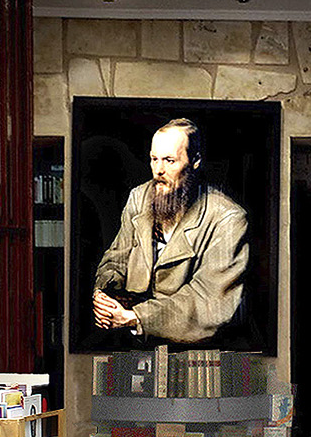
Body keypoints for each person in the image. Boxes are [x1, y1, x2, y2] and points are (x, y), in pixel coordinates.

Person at [92, 118, 249, 345]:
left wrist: (136, 318)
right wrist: (103, 294)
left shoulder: (228, 218)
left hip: (194, 350)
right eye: (154, 159)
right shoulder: (139, 197)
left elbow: (209, 301)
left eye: (169, 160)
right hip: (132, 344)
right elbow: (116, 258)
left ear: (195, 161)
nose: (158, 170)